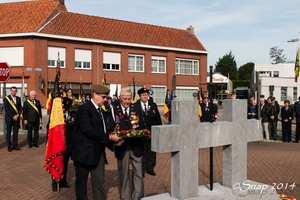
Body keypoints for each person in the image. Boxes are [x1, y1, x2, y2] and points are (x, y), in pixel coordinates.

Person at [71, 84, 121, 200]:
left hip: (98, 153)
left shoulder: (101, 111)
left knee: (99, 182)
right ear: (95, 95)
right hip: (83, 154)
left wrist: (113, 143)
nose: (105, 100)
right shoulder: (84, 109)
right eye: (103, 97)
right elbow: (89, 130)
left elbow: (103, 131)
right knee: (81, 184)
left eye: (106, 98)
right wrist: (109, 138)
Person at [107, 88, 146, 200]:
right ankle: (125, 198)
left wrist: (143, 132)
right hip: (122, 147)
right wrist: (113, 140)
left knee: (138, 174)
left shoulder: (137, 108)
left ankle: (137, 197)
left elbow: (143, 125)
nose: (127, 101)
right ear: (120, 98)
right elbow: (109, 128)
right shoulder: (114, 109)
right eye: (125, 99)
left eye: (129, 99)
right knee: (124, 176)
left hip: (136, 146)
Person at [135, 87, 162, 178]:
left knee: (151, 152)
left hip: (152, 133)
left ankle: (150, 168)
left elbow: (158, 118)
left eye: (146, 95)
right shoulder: (135, 105)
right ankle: (142, 170)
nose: (145, 96)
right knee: (142, 152)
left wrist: (159, 131)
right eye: (143, 95)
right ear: (139, 96)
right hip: (141, 134)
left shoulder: (153, 105)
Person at [3, 86, 22, 152]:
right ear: (10, 91)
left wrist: (17, 115)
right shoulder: (6, 99)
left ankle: (15, 145)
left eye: (15, 91)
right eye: (13, 91)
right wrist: (12, 116)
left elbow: (20, 108)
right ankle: (9, 146)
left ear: (16, 91)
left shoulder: (18, 98)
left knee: (15, 132)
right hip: (9, 118)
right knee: (8, 132)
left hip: (16, 118)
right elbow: (6, 109)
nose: (14, 92)